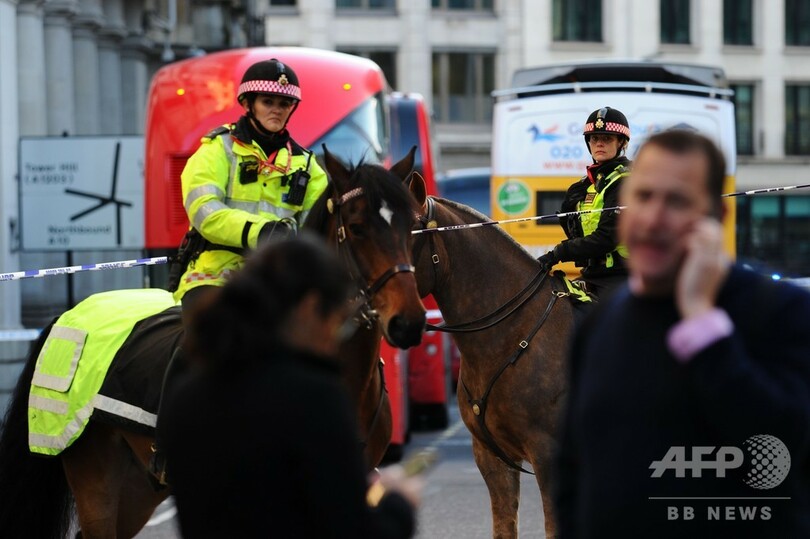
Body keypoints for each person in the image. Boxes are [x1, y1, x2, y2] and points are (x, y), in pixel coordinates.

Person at [553, 130, 810, 538]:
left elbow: (784, 444)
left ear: (716, 216)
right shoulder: (602, 322)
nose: (654, 218)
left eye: (677, 201)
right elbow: (574, 473)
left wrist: (702, 325)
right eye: (643, 197)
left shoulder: (782, 313)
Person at [162, 236, 421, 538]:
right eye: (338, 320)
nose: (337, 336)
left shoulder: (187, 396)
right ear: (309, 309)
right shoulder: (314, 397)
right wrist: (399, 503)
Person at [168, 58, 328, 315]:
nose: (276, 110)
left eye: (284, 104)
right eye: (267, 102)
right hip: (215, 273)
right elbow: (203, 211)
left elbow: (320, 230)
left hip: (281, 279)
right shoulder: (217, 149)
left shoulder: (309, 166)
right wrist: (261, 231)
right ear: (247, 104)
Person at [537, 106, 631, 299]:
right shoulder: (588, 184)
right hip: (593, 274)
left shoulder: (626, 182)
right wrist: (568, 214)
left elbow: (606, 238)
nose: (599, 143)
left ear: (621, 142)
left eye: (607, 138)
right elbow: (579, 234)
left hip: (623, 276)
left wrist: (558, 253)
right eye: (594, 138)